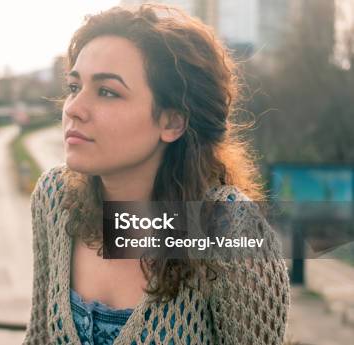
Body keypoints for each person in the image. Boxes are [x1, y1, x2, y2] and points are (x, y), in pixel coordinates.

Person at [22, 4, 290, 345]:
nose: (74, 108)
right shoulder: (54, 198)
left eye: (107, 92)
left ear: (172, 122)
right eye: (74, 87)